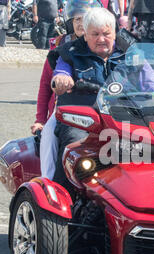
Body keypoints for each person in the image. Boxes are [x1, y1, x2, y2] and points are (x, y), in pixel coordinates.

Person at [51, 7, 126, 194]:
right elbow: (60, 72)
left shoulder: (130, 53)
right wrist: (61, 80)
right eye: (95, 34)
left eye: (106, 33)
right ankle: (63, 200)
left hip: (122, 118)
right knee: (75, 145)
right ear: (85, 35)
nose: (101, 39)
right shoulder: (70, 53)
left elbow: (151, 79)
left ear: (115, 33)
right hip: (82, 120)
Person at [32, 0, 104, 180]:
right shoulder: (61, 48)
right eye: (76, 19)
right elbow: (45, 86)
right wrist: (40, 120)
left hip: (98, 107)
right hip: (63, 108)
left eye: (85, 18)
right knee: (49, 137)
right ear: (69, 22)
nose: (80, 23)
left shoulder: (102, 44)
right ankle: (48, 186)